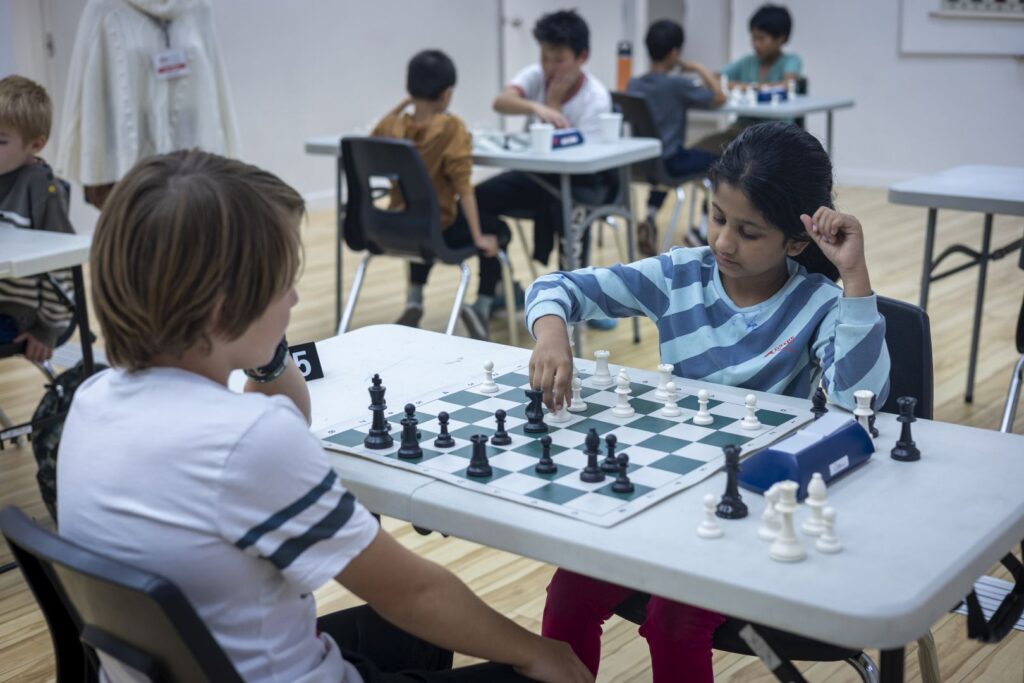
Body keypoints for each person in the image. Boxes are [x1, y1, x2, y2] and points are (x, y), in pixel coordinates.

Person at [56, 149, 592, 683]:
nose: (293, 298)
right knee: (537, 668)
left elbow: (279, 422)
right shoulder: (247, 442)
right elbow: (413, 593)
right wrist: (538, 652)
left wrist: (264, 351)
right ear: (224, 310)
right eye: (282, 283)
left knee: (412, 639)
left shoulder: (92, 400)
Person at [524, 122, 890, 682]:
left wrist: (855, 279)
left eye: (748, 231)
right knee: (571, 590)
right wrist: (552, 332)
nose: (722, 242)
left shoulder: (817, 303)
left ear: (796, 240)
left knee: (675, 619)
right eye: (718, 218)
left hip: (754, 505)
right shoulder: (680, 276)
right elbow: (557, 286)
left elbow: (856, 400)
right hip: (661, 493)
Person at [476, 8, 616, 330]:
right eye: (545, 58)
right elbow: (501, 101)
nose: (550, 67)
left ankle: (582, 298)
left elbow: (575, 159)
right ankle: (496, 287)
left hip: (581, 179)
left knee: (569, 209)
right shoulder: (536, 76)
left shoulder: (596, 98)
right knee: (477, 199)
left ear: (582, 57)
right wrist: (541, 105)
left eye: (559, 59)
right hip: (536, 175)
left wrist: (551, 105)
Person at [372, 50, 510, 340]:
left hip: (397, 230)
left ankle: (414, 301)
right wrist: (478, 236)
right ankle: (482, 305)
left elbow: (374, 136)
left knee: (418, 214)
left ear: (409, 89)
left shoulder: (393, 127)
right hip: (441, 233)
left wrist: (407, 101)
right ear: (447, 94)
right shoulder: (452, 128)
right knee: (498, 229)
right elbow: (464, 188)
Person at [55, 0, 240, 210]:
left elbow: (214, 86)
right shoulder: (103, 9)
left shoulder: (198, 7)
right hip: (129, 168)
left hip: (196, 166)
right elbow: (90, 92)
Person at [626, 19, 725, 256]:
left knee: (668, 158)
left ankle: (649, 216)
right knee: (725, 162)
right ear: (674, 52)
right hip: (670, 163)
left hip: (639, 165)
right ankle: (701, 229)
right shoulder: (677, 85)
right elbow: (719, 97)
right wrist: (698, 68)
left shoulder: (633, 83)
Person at [0, 75, 75, 362]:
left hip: (23, 316)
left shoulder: (42, 188)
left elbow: (64, 265)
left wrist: (48, 329)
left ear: (36, 144)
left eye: (1, 141)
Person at [692, 4, 802, 158]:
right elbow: (713, 79)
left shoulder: (791, 61)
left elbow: (784, 86)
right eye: (753, 38)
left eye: (761, 39)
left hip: (775, 132)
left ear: (780, 38)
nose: (755, 44)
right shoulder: (747, 62)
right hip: (741, 129)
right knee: (698, 150)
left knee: (742, 160)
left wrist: (735, 86)